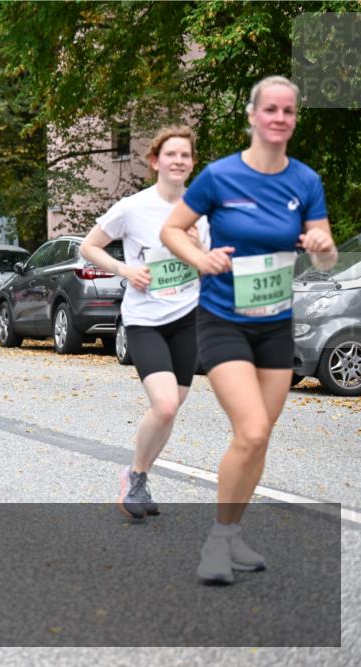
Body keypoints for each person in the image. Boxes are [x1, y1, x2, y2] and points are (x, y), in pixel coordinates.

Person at [160, 76, 337, 584]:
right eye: (271, 110)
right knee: (253, 428)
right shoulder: (219, 176)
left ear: (294, 119)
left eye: (289, 111)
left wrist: (322, 250)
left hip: (276, 325)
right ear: (252, 115)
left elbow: (321, 248)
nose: (279, 119)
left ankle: (233, 534)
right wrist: (201, 257)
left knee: (257, 439)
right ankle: (216, 544)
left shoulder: (305, 180)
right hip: (223, 322)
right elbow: (171, 229)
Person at [80, 125, 209, 519]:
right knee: (166, 405)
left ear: (192, 163)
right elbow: (88, 247)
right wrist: (125, 269)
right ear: (155, 161)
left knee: (173, 406)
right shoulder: (133, 207)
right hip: (144, 320)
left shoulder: (202, 210)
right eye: (171, 154)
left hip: (187, 317)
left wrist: (201, 250)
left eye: (185, 155)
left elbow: (209, 266)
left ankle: (139, 475)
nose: (178, 161)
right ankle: (135, 478)